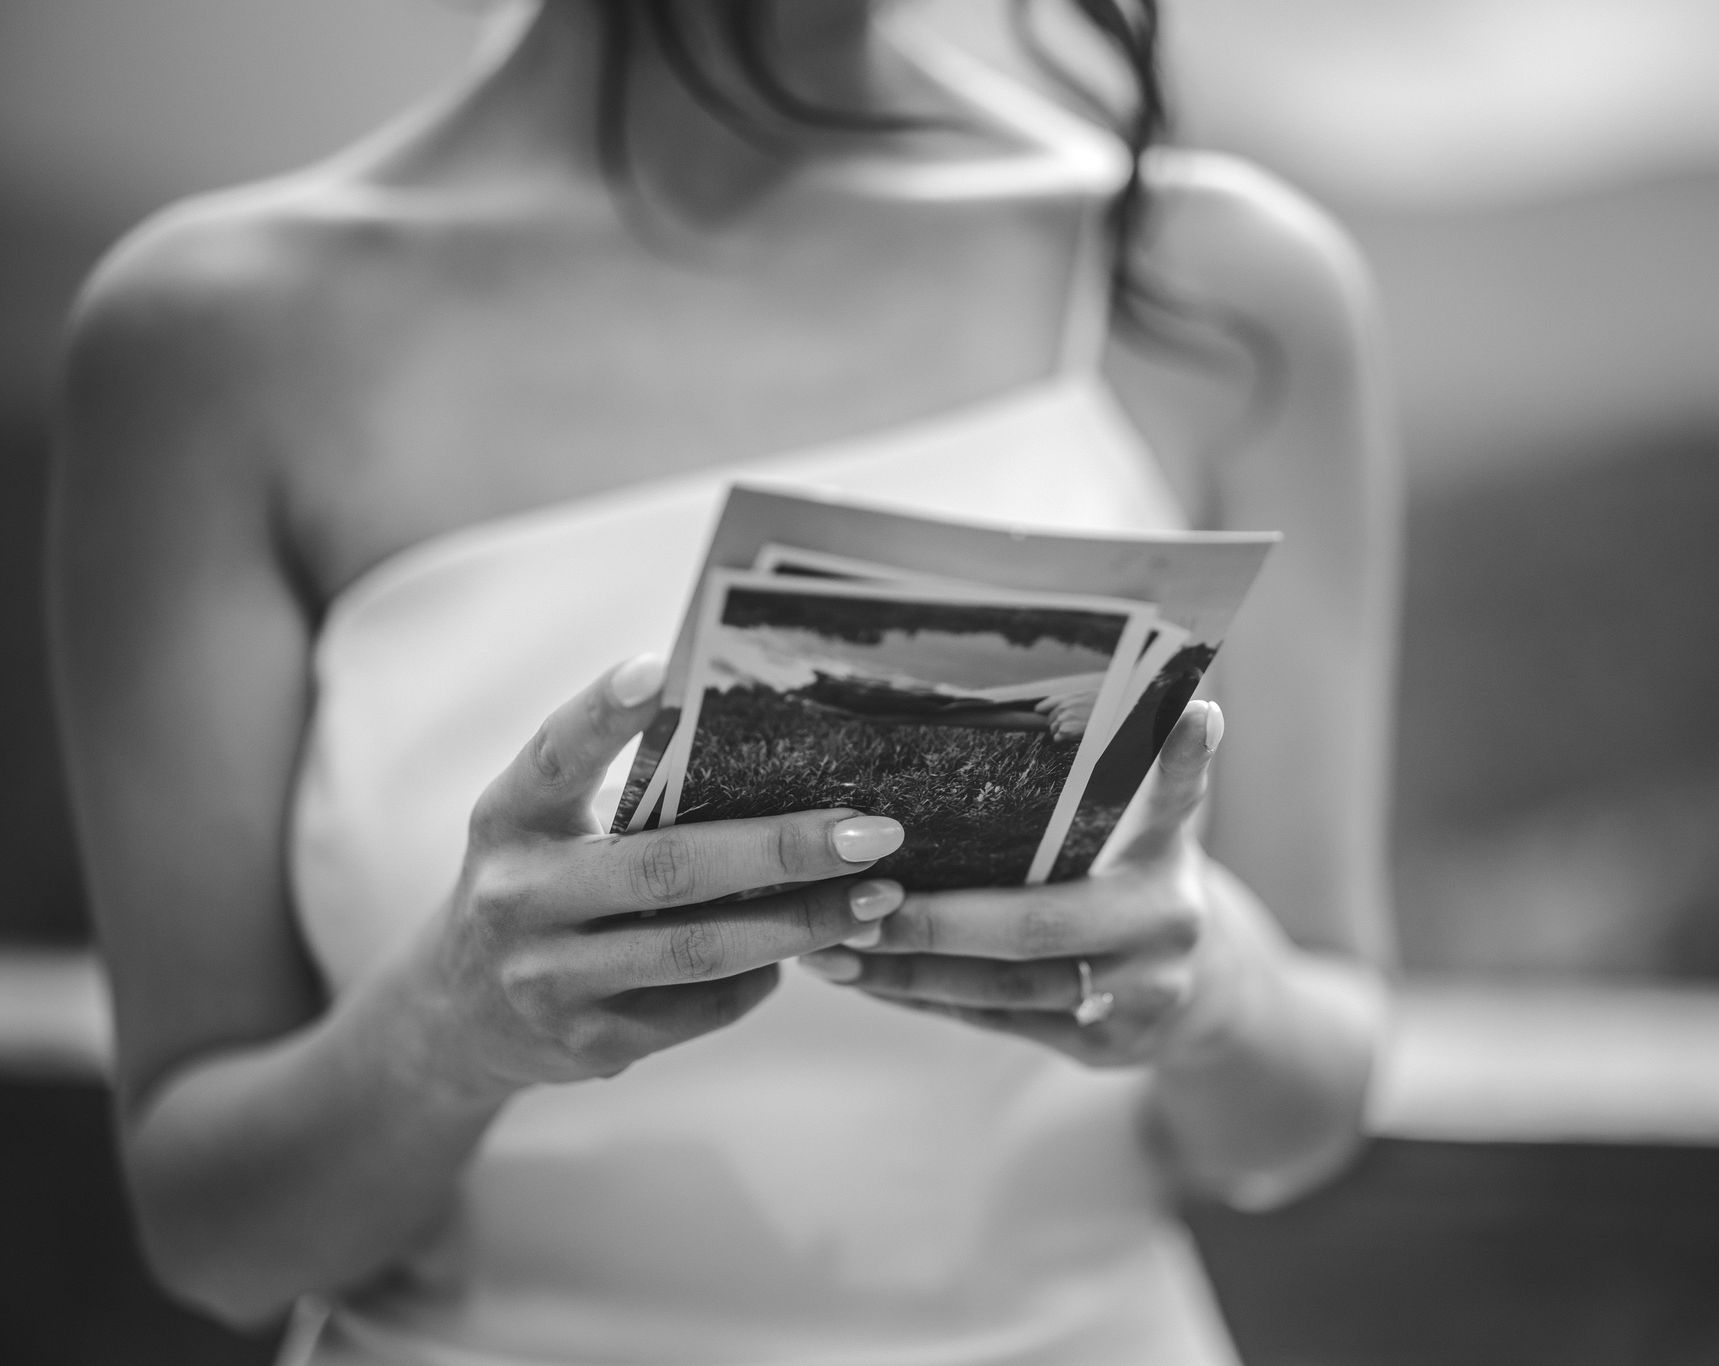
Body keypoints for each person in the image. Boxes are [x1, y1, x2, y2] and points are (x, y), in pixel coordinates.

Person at [48, 2, 1401, 1362]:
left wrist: (1208, 977)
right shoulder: (210, 340)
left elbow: (1309, 1108)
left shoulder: (1219, 285)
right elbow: (213, 1234)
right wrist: (447, 1026)